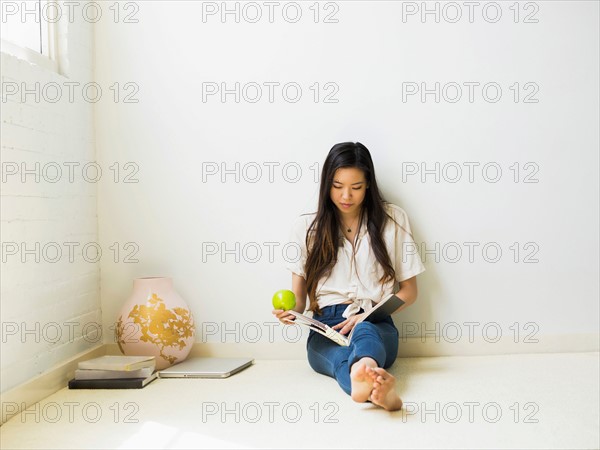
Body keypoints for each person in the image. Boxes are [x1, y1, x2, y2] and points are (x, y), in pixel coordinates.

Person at [272, 141, 426, 411]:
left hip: (376, 321)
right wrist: (290, 313)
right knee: (339, 357)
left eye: (356, 187)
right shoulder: (307, 227)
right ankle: (376, 388)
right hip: (326, 326)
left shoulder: (393, 219)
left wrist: (365, 316)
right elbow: (298, 299)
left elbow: (409, 291)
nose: (346, 196)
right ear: (326, 184)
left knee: (364, 331)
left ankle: (364, 373)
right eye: (337, 186)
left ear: (368, 185)